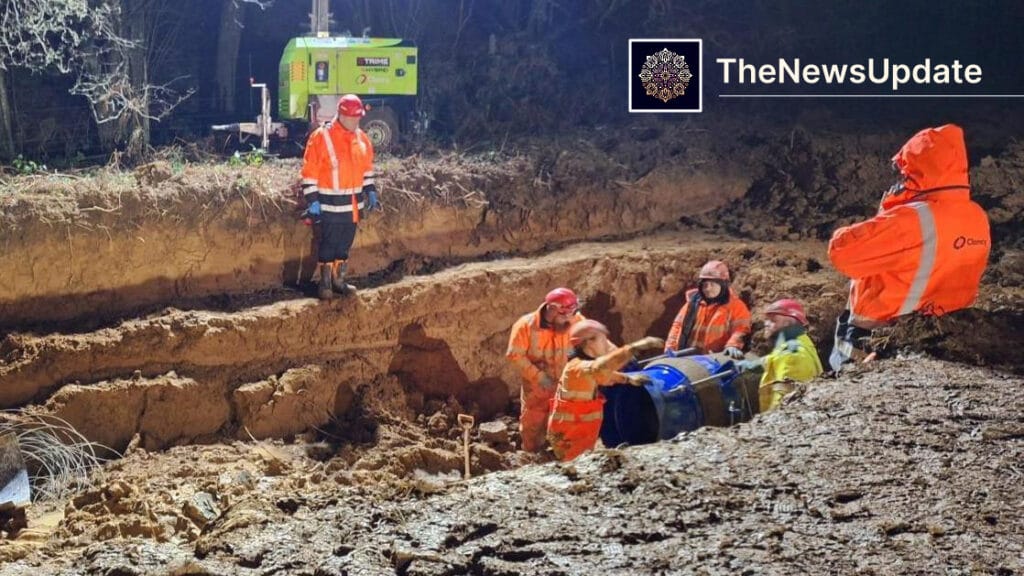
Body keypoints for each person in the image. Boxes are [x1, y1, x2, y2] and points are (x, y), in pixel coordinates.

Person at [827, 124, 990, 370]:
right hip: (944, 332)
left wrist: (888, 209)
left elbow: (843, 253)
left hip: (880, 335)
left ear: (919, 169)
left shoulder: (910, 220)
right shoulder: (976, 215)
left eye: (905, 170)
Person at [300, 94, 381, 300]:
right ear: (342, 115)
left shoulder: (362, 138)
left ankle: (339, 281)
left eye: (358, 118)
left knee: (344, 245)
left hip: (353, 207)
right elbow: (310, 171)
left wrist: (370, 190)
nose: (356, 122)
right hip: (330, 206)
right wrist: (313, 200)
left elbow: (366, 169)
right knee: (328, 244)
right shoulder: (321, 137)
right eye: (352, 118)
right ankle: (325, 284)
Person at [546, 320, 664, 461]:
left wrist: (627, 379)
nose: (607, 344)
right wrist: (633, 348)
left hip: (577, 434)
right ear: (590, 343)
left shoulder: (580, 368)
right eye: (603, 339)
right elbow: (599, 369)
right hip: (570, 439)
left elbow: (602, 376)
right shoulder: (577, 369)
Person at [506, 288, 585, 453]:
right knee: (534, 424)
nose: (569, 319)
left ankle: (563, 453)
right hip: (537, 388)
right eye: (565, 315)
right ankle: (531, 454)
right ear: (553, 309)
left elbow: (589, 341)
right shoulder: (526, 326)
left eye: (572, 314)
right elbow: (514, 355)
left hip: (565, 384)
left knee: (566, 422)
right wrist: (538, 376)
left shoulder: (574, 320)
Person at [736, 299, 823, 412]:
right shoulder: (796, 342)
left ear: (789, 323)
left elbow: (782, 407)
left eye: (773, 320)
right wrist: (754, 365)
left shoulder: (793, 357)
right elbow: (776, 358)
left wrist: (763, 423)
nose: (766, 324)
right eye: (766, 320)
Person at [665, 260, 752, 359]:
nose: (708, 289)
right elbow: (677, 326)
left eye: (713, 284)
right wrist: (670, 349)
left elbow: (741, 329)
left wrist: (733, 345)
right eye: (705, 285)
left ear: (723, 285)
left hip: (712, 361)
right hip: (686, 359)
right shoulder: (693, 303)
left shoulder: (736, 306)